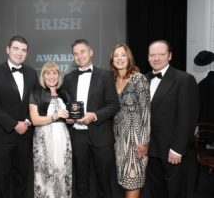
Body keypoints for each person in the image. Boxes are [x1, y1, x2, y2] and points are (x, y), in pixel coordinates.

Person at [62, 39, 120, 198]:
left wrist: (94, 115)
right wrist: (68, 118)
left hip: (101, 135)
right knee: (81, 179)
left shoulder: (106, 75)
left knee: (104, 180)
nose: (79, 56)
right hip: (77, 136)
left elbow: (114, 105)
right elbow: (67, 106)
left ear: (91, 52)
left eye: (82, 51)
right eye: (75, 53)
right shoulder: (68, 79)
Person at [0, 35, 38, 198]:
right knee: (1, 179)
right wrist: (15, 124)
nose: (19, 53)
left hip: (25, 135)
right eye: (16, 48)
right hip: (2, 135)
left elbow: (35, 101)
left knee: (22, 177)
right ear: (8, 50)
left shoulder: (32, 73)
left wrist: (28, 121)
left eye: (23, 50)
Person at [145, 40, 199, 198]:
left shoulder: (184, 79)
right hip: (149, 147)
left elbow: (187, 118)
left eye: (161, 54)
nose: (156, 58)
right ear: (148, 57)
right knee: (155, 190)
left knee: (175, 191)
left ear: (170, 56)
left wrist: (177, 149)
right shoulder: (143, 79)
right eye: (152, 55)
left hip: (171, 149)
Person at [110, 43, 150, 198]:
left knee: (133, 180)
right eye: (116, 55)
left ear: (129, 57)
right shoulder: (112, 80)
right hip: (119, 140)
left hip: (136, 139)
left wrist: (144, 141)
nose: (119, 58)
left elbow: (146, 112)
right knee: (125, 180)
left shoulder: (138, 79)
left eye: (123, 55)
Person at [29, 61, 72, 198]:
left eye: (55, 73)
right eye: (48, 73)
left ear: (59, 76)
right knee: (44, 174)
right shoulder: (35, 93)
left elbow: (69, 118)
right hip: (43, 139)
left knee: (62, 171)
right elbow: (35, 120)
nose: (51, 76)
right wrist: (55, 116)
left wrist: (70, 119)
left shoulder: (64, 94)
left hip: (62, 138)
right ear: (43, 76)